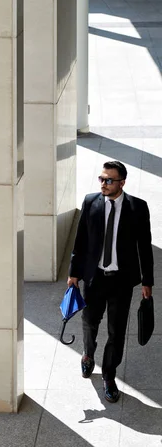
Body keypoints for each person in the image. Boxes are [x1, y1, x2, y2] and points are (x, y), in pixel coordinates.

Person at [68, 160, 153, 403]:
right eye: (101, 179)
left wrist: (148, 282)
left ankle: (109, 375)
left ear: (122, 183)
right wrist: (74, 273)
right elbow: (80, 240)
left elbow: (144, 248)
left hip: (121, 282)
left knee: (116, 331)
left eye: (109, 180)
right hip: (94, 278)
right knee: (89, 322)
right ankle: (87, 355)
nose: (103, 184)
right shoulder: (90, 202)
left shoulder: (138, 208)